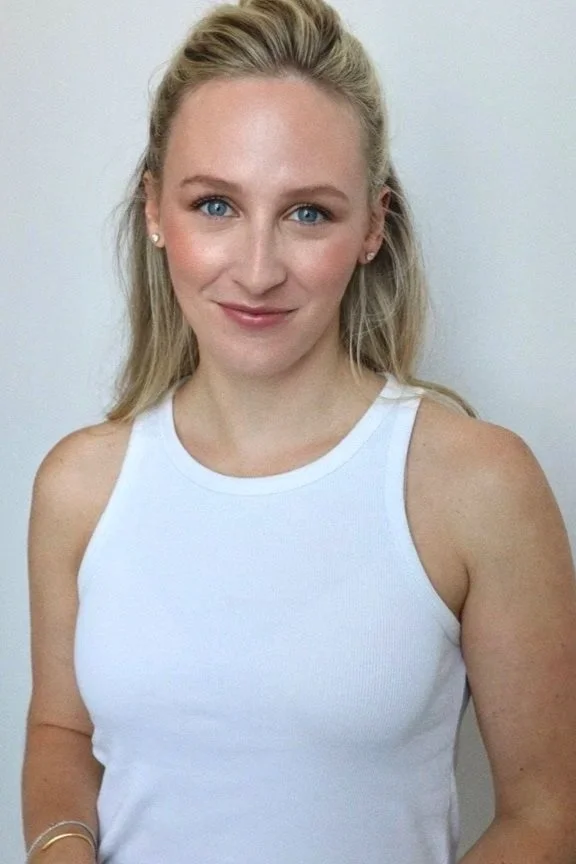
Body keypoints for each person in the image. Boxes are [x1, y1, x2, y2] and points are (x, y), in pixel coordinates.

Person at [21, 0, 576, 862]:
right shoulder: (79, 486)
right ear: (156, 212)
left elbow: (549, 814)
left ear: (371, 228)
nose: (257, 269)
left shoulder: (477, 484)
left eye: (307, 213)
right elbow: (61, 729)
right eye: (215, 205)